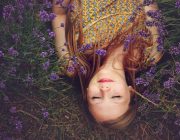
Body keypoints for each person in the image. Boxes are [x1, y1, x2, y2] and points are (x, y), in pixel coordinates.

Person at [52, 0, 163, 129]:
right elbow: (149, 5)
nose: (104, 90)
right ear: (131, 92)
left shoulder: (73, 64)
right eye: (116, 96)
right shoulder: (151, 55)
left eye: (96, 97)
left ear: (86, 93)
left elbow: (58, 15)